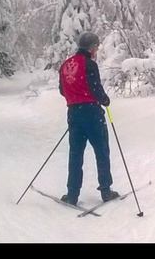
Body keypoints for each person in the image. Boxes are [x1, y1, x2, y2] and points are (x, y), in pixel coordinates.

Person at [58, 32, 120, 205]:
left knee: (75, 154)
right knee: (101, 151)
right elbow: (95, 89)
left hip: (73, 114)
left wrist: (75, 98)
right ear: (91, 48)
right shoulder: (89, 64)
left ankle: (72, 194)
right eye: (96, 47)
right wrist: (105, 100)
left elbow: (62, 90)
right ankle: (106, 191)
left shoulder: (65, 65)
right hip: (92, 113)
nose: (97, 50)